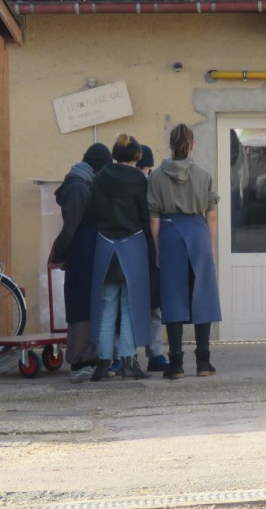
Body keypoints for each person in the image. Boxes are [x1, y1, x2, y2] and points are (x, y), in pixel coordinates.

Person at [148, 124, 222, 379]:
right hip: (198, 232)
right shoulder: (203, 175)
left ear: (171, 145)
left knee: (173, 296)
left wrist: (158, 249)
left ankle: (176, 363)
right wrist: (209, 246)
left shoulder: (156, 176)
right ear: (192, 145)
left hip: (169, 233)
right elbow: (211, 216)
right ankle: (204, 362)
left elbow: (154, 218)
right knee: (203, 293)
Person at [89, 134, 152, 381]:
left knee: (106, 306)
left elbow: (93, 210)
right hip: (133, 244)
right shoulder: (139, 179)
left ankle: (103, 363)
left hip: (105, 245)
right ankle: (129, 362)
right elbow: (145, 215)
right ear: (135, 157)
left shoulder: (100, 177)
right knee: (130, 305)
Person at [51, 142, 112, 383]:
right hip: (82, 251)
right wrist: (59, 255)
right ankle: (79, 360)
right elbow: (71, 227)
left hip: (86, 250)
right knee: (81, 305)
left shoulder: (82, 182)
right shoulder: (79, 186)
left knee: (87, 303)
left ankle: (89, 357)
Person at [137, 144, 170, 372]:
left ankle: (126, 354)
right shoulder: (154, 184)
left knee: (132, 304)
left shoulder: (145, 185)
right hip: (150, 249)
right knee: (154, 307)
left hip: (140, 249)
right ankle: (155, 352)